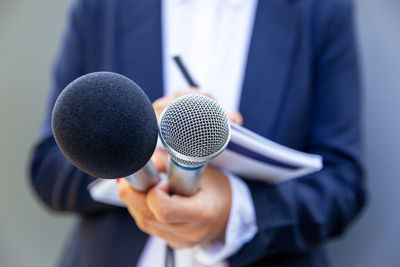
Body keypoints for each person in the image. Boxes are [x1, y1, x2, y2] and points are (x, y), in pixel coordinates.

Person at [29, 0, 366, 266]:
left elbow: (343, 183)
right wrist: (134, 142)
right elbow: (49, 172)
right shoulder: (101, 6)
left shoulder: (321, 9)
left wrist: (233, 211)